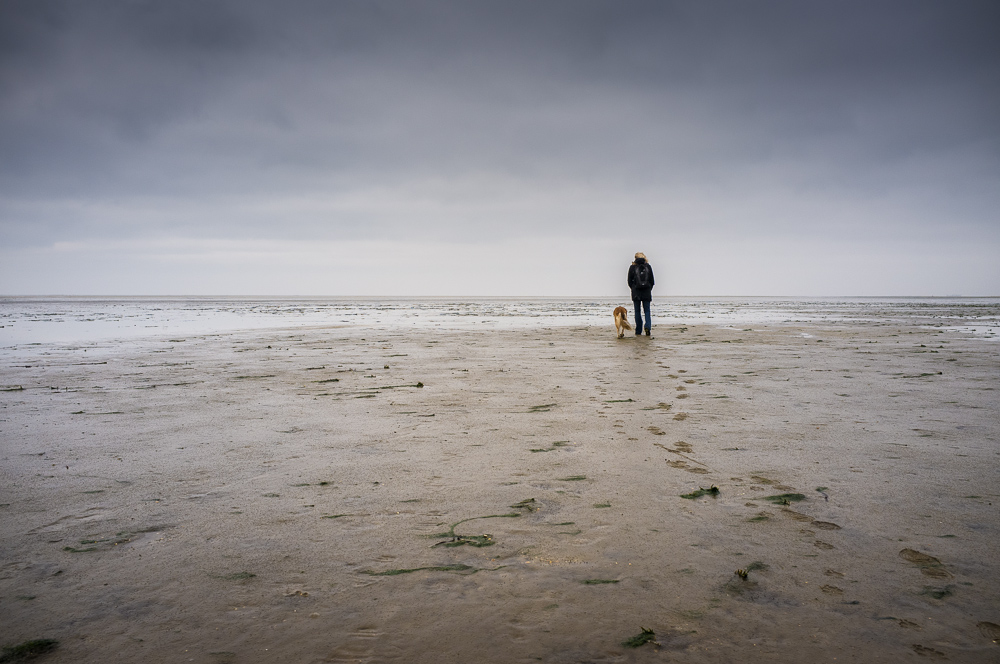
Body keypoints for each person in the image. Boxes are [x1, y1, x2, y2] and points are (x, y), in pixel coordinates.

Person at [627, 252, 654, 336]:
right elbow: (652, 281)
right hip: (647, 291)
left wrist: (634, 288)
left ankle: (638, 330)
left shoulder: (632, 267)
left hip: (636, 292)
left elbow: (629, 281)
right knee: (647, 311)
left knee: (637, 311)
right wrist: (649, 288)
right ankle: (647, 326)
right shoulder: (648, 267)